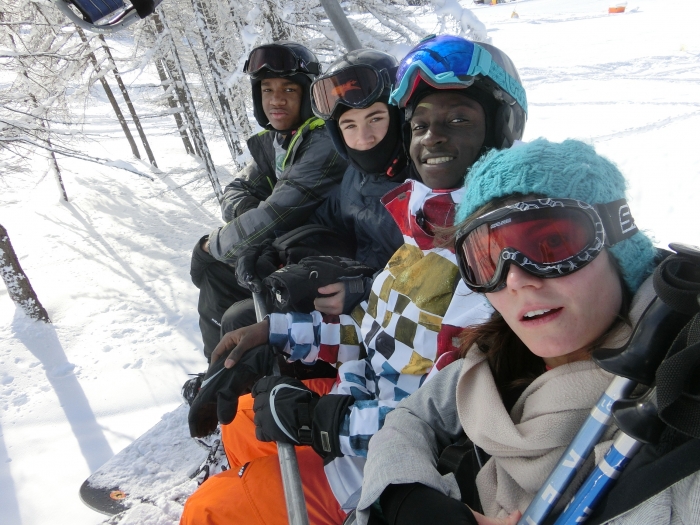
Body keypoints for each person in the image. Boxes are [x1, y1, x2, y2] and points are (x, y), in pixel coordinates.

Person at [181, 35, 528, 525]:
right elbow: (375, 332)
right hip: (356, 399)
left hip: (376, 460)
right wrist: (275, 333)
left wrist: (320, 422)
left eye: (457, 121)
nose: (432, 138)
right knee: (241, 424)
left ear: (499, 126)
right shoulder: (426, 221)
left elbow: (441, 422)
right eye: (421, 124)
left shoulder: (490, 260)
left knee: (210, 512)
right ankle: (241, 470)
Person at [355, 138, 666, 525]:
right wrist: (405, 495)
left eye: (553, 243)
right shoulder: (496, 355)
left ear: (617, 244)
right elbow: (413, 416)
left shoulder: (672, 404)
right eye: (488, 260)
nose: (516, 279)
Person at [190, 41, 348, 360]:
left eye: (289, 89)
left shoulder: (322, 143)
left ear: (308, 95)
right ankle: (216, 369)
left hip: (326, 263)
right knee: (216, 274)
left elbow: (274, 214)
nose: (275, 100)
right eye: (267, 89)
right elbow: (234, 192)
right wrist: (257, 213)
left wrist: (213, 246)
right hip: (292, 251)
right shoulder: (281, 141)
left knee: (219, 272)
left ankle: (233, 375)